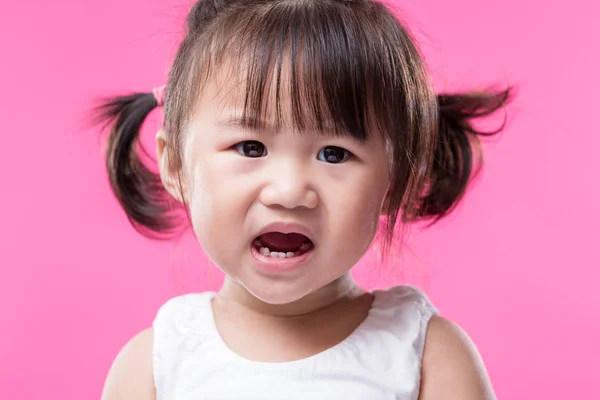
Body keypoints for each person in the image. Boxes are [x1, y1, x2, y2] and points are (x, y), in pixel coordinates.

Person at [96, 0, 513, 398]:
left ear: (395, 178)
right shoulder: (155, 366)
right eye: (250, 147)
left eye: (334, 154)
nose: (290, 191)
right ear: (176, 166)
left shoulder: (426, 357)